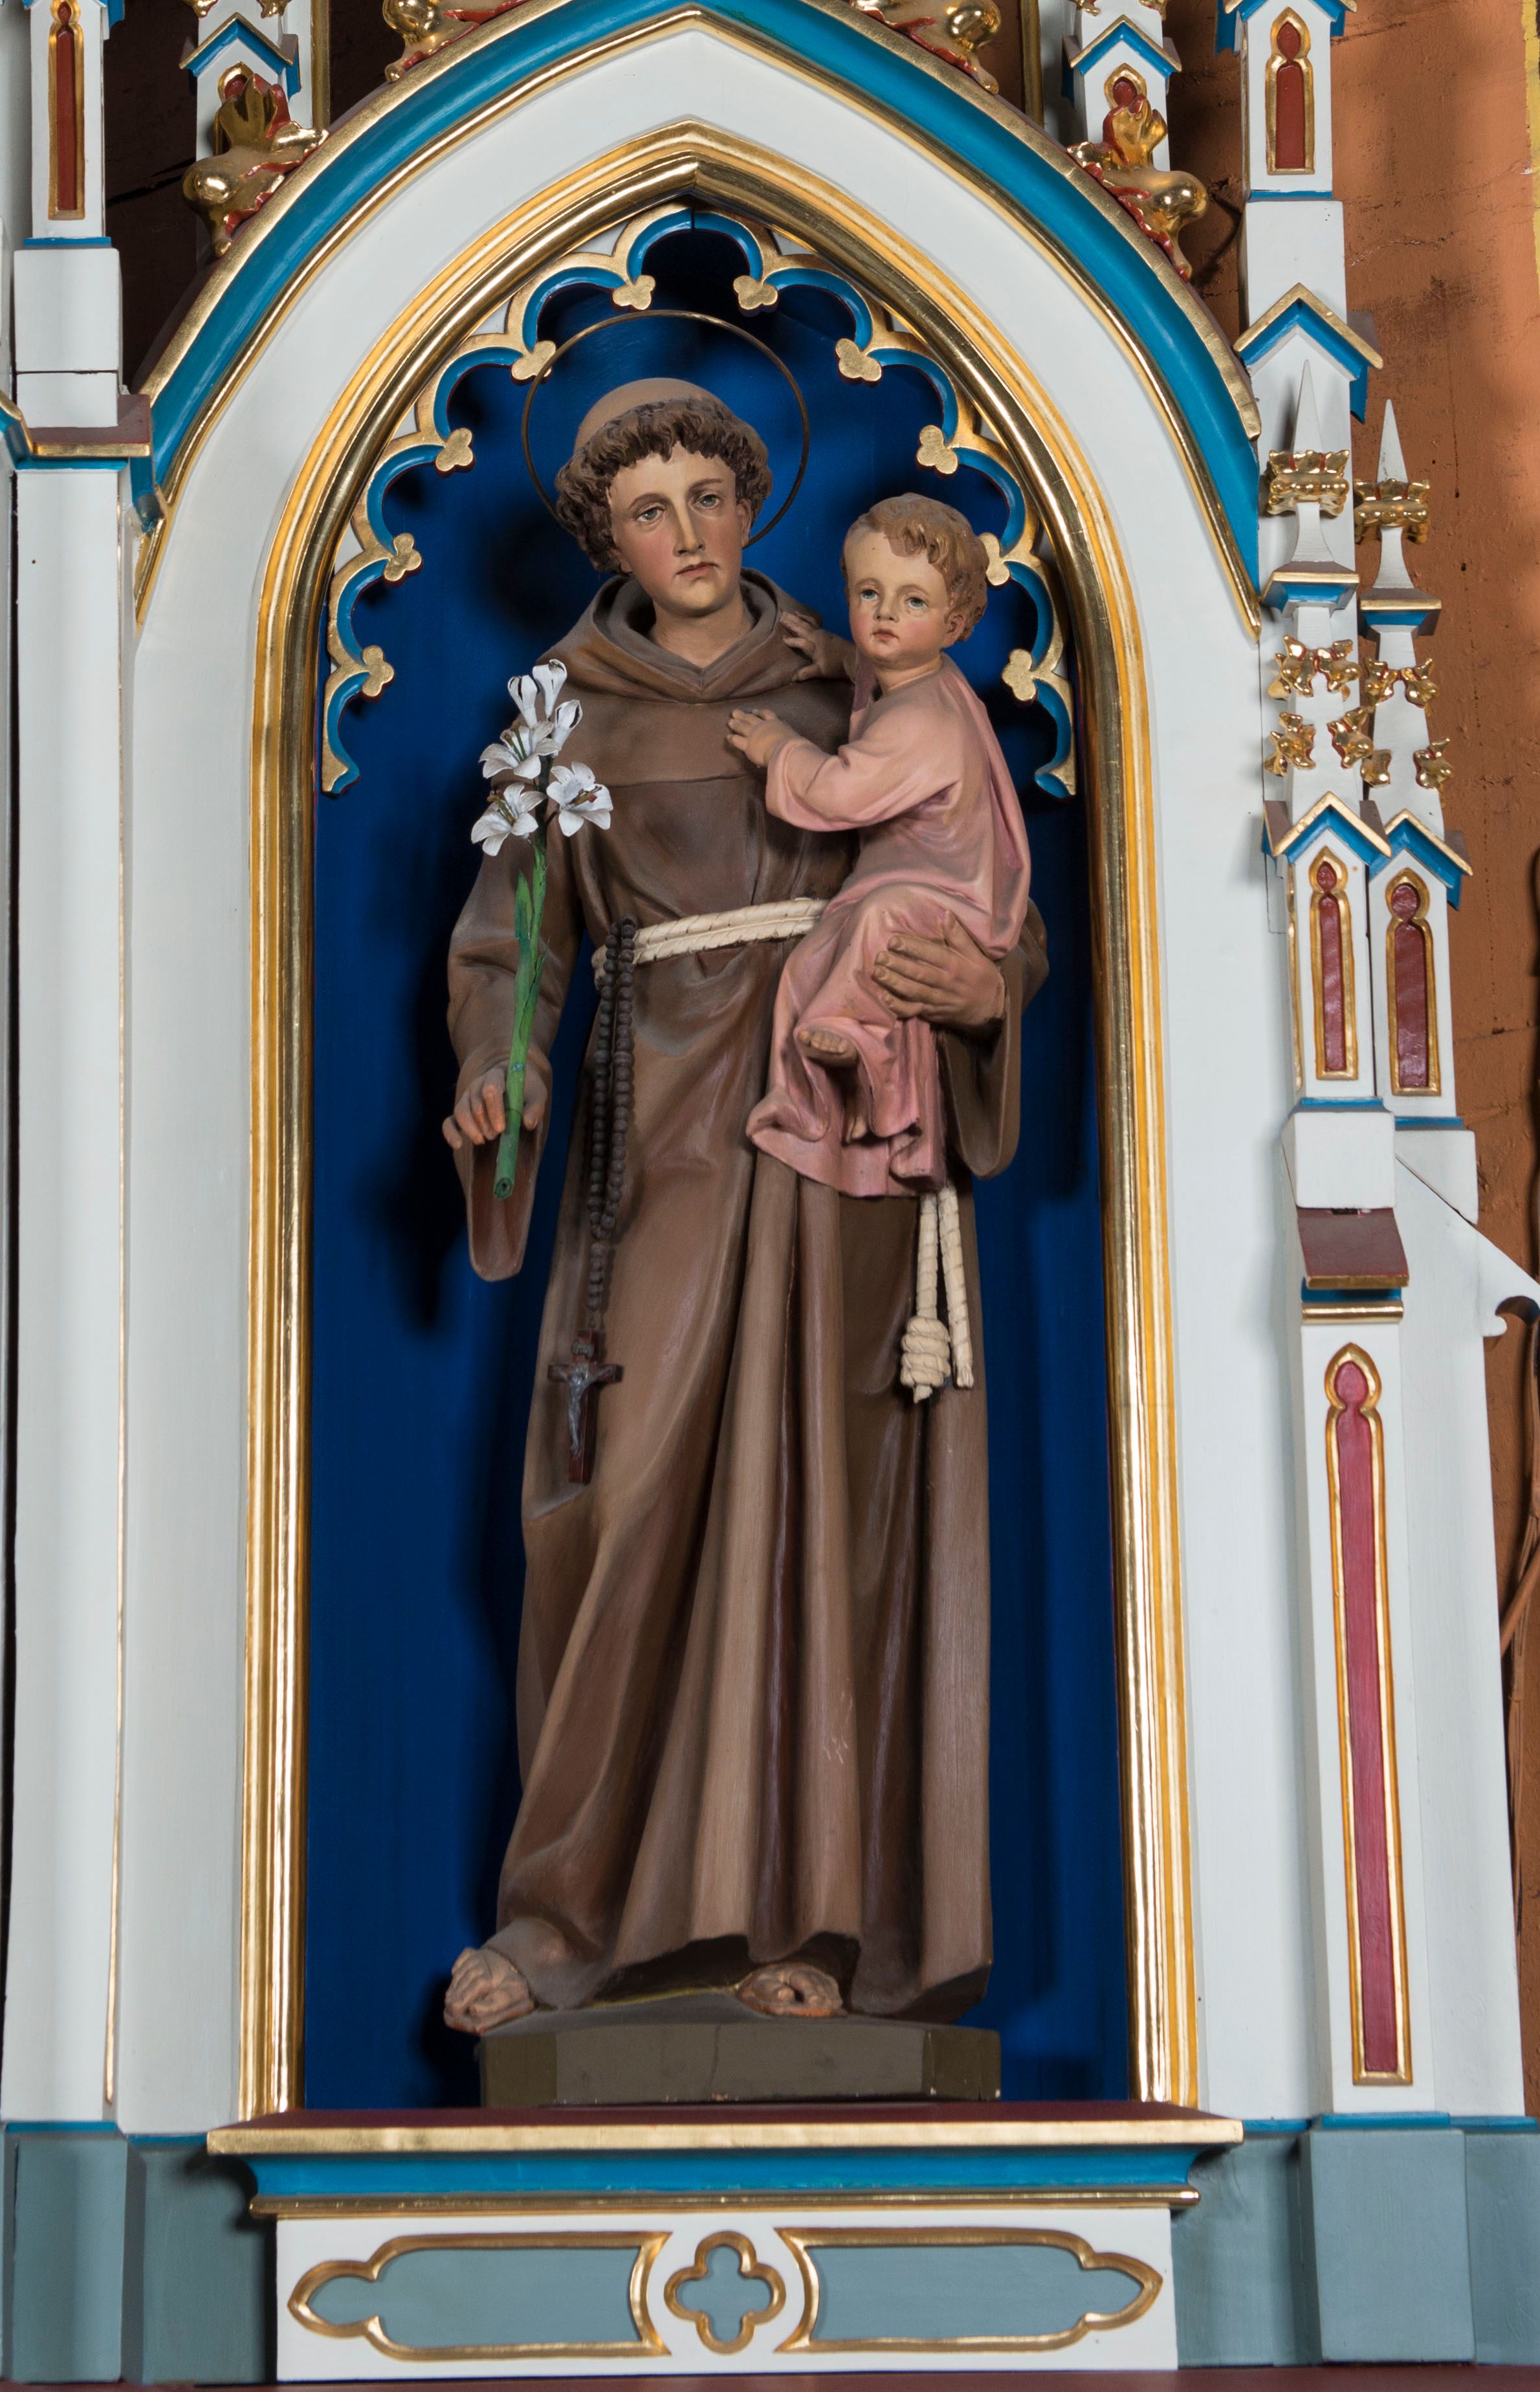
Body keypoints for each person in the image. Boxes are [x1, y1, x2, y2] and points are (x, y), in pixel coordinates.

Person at [441, 379, 1046, 2039]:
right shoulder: (561, 713)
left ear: (751, 499)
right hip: (662, 1128)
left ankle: (813, 1923)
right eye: (651, 510)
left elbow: (981, 874)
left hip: (842, 1121)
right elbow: (513, 931)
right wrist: (499, 1063)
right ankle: (566, 1917)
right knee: (620, 1494)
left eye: (710, 495)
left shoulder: (854, 677)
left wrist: (984, 993)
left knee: (828, 1502)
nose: (690, 533)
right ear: (607, 535)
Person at [727, 496, 1031, 1198]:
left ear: (954, 624)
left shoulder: (923, 720)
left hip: (943, 896)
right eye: (869, 594)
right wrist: (838, 656)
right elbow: (875, 668)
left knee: (874, 924)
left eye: (912, 601)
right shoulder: (917, 675)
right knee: (806, 969)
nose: (885, 615)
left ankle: (867, 1050)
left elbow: (839, 793)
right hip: (915, 876)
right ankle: (803, 1102)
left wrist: (779, 748)